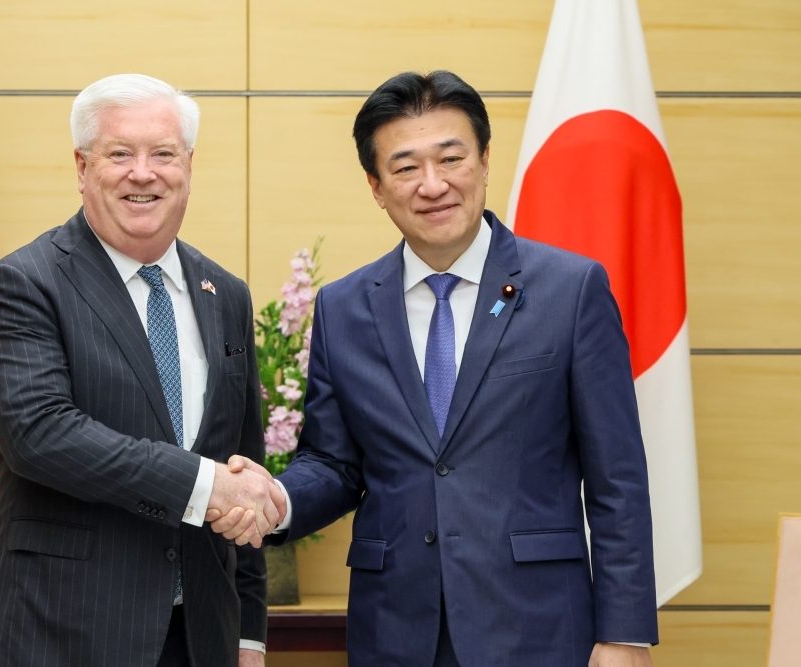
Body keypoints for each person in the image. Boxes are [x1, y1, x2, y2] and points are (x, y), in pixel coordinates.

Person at [209, 71, 659, 667]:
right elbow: (335, 463)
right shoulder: (344, 307)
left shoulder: (570, 290)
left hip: (538, 627)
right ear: (376, 187)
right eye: (405, 167)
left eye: (451, 159)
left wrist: (625, 633)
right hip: (395, 631)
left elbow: (617, 477)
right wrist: (277, 500)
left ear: (485, 161)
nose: (432, 185)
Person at [0, 74, 282, 667]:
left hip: (199, 638)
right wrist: (204, 485)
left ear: (189, 166)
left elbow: (242, 465)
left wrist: (249, 636)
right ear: (82, 168)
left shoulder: (225, 294)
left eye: (164, 154)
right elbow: (40, 435)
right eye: (120, 154)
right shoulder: (26, 283)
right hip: (59, 632)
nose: (143, 173)